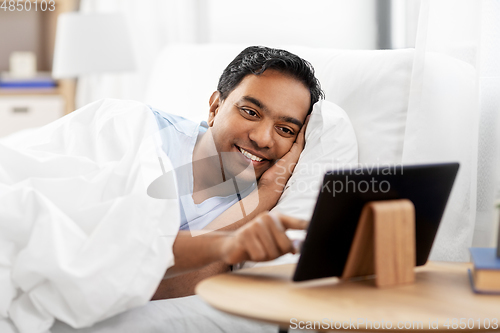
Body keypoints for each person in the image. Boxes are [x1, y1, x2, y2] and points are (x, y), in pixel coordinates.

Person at [151, 46, 324, 299]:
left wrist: (268, 192)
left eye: (285, 129)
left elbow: (177, 287)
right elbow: (117, 276)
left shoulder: (249, 204)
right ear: (215, 108)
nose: (263, 139)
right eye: (251, 113)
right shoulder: (144, 135)